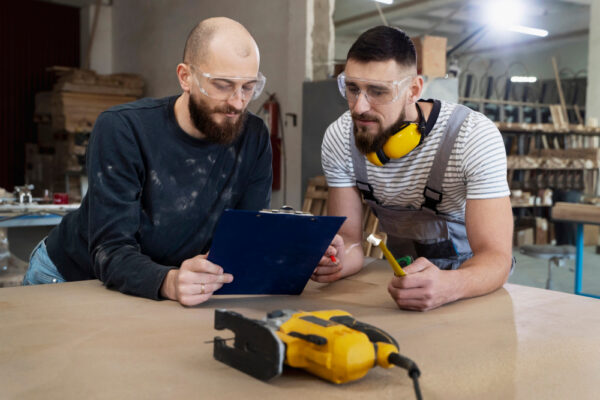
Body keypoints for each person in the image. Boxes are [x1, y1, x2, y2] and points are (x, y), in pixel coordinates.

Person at [23, 17, 273, 306]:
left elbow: (246, 234)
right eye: (222, 86)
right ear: (185, 77)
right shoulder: (123, 129)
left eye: (248, 87)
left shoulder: (252, 136)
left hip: (161, 285)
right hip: (74, 277)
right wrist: (169, 281)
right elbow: (111, 249)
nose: (237, 103)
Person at [313, 26, 513, 311]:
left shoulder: (471, 136)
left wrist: (450, 285)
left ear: (414, 90)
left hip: (471, 288)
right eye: (352, 88)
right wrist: (336, 262)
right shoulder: (340, 137)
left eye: (378, 92)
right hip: (403, 286)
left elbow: (496, 259)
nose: (358, 108)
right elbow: (350, 242)